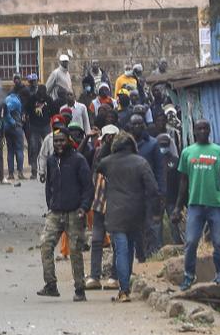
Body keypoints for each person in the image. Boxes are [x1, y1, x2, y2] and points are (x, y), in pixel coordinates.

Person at [95, 132, 159, 302]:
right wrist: (151, 210)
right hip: (136, 212)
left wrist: (106, 146)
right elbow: (153, 189)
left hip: (115, 213)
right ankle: (126, 284)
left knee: (121, 249)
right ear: (133, 145)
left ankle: (124, 290)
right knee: (129, 248)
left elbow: (97, 164)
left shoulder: (108, 163)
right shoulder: (141, 162)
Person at [173, 119, 220, 290]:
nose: (202, 131)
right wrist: (178, 207)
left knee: (218, 242)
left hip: (216, 205)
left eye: (205, 128)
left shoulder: (219, 152)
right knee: (191, 242)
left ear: (210, 130)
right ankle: (189, 276)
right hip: (195, 205)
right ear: (194, 131)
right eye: (199, 128)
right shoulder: (187, 152)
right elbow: (183, 182)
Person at [37, 130, 92, 301]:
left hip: (75, 212)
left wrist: (84, 207)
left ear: (68, 141)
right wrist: (50, 205)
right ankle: (51, 285)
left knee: (75, 251)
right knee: (45, 244)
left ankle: (80, 289)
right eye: (56, 141)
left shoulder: (78, 160)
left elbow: (88, 187)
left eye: (62, 140)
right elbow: (49, 186)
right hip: (55, 212)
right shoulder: (52, 160)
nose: (59, 144)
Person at [86, 124, 121, 290]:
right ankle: (94, 276)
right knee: (97, 240)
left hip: (115, 204)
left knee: (116, 241)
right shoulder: (100, 153)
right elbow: (95, 172)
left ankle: (115, 276)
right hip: (100, 202)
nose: (110, 140)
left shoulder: (121, 156)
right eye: (108, 138)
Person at [129, 113, 166, 257]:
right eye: (134, 124)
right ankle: (140, 254)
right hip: (131, 192)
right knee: (135, 226)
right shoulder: (127, 144)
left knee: (151, 224)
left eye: (140, 123)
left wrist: (162, 191)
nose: (137, 126)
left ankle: (154, 254)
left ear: (144, 125)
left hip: (150, 191)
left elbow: (159, 168)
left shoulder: (152, 144)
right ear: (130, 127)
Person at [26, 86, 52, 181]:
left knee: (50, 147)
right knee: (34, 148)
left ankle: (49, 169)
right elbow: (27, 110)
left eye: (43, 95)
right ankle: (34, 170)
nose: (41, 98)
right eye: (39, 95)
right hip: (34, 127)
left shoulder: (48, 99)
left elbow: (53, 111)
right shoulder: (32, 99)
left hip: (46, 125)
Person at [3, 90, 26, 181]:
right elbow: (7, 110)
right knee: (19, 150)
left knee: (10, 151)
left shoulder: (6, 99)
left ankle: (11, 174)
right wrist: (13, 122)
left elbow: (4, 111)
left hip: (7, 129)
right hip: (16, 127)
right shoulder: (16, 101)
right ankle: (20, 173)